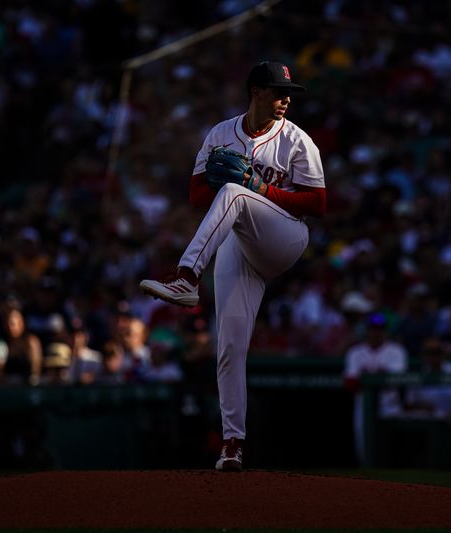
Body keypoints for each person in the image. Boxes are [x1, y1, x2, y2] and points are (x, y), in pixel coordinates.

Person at [139, 61, 326, 471]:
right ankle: (232, 444)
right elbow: (195, 195)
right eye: (278, 91)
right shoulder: (221, 133)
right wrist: (227, 184)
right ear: (256, 91)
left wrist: (260, 187)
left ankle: (187, 277)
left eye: (289, 91)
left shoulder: (297, 139)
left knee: (236, 192)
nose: (286, 98)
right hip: (240, 246)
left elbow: (317, 203)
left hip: (285, 236)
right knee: (228, 346)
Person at [343, 313, 408, 466]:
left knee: (391, 449)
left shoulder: (396, 351)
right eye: (372, 328)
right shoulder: (355, 352)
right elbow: (351, 381)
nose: (376, 332)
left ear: (385, 331)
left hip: (390, 405)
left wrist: (368, 376)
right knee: (363, 448)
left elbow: (396, 378)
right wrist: (379, 374)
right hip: (363, 406)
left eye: (379, 329)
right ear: (367, 330)